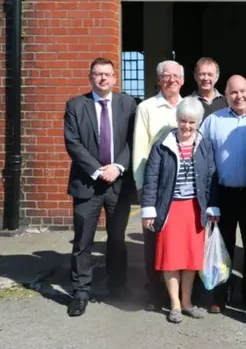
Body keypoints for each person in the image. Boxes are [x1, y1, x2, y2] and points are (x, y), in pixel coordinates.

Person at [63, 57, 137, 317]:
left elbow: (133, 140)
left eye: (107, 74)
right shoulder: (75, 105)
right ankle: (81, 292)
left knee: (117, 239)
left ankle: (117, 287)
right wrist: (97, 169)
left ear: (115, 78)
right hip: (87, 183)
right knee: (83, 241)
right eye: (97, 74)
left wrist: (118, 167)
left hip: (118, 183)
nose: (103, 78)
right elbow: (73, 143)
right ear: (90, 77)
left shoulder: (128, 103)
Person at [140, 96, 219, 323]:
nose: (187, 126)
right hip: (170, 209)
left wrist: (213, 206)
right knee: (171, 259)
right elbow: (152, 177)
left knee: (191, 260)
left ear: (198, 123)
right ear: (177, 119)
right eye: (183, 120)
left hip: (195, 210)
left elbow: (211, 177)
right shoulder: (162, 144)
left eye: (192, 122)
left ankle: (187, 302)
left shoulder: (204, 145)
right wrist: (148, 209)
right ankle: (174, 304)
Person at [200, 75, 246, 312]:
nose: (239, 96)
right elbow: (202, 157)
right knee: (223, 247)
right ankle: (219, 296)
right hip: (224, 194)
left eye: (243, 91)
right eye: (233, 92)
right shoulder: (213, 121)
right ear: (226, 94)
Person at [132, 59, 185, 310]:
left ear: (183, 80)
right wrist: (143, 191)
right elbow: (140, 150)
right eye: (166, 75)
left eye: (176, 76)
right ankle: (155, 293)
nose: (171, 80)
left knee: (179, 243)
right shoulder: (146, 107)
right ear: (158, 80)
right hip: (157, 186)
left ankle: (181, 295)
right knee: (153, 241)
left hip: (186, 190)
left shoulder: (190, 106)